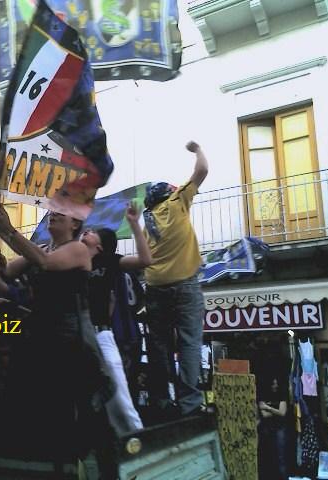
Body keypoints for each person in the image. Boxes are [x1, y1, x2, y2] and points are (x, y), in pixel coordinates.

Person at [0, 206, 114, 465]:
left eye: (61, 213)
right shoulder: (43, 248)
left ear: (74, 224)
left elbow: (44, 263)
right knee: (37, 400)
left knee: (69, 402)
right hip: (41, 332)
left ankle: (82, 460)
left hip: (69, 336)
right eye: (52, 211)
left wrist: (10, 230)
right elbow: (6, 274)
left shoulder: (77, 249)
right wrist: (0, 234)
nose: (53, 214)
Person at [144, 140, 209, 418]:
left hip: (155, 286)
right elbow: (202, 170)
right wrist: (197, 150)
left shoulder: (148, 218)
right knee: (189, 342)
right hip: (184, 284)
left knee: (159, 345)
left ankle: (160, 400)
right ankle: (189, 404)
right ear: (168, 193)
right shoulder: (177, 200)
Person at [80, 201, 150, 435]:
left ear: (100, 246)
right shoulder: (74, 260)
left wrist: (133, 223)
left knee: (118, 388)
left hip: (101, 334)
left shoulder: (109, 262)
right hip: (78, 335)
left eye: (92, 233)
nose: (86, 232)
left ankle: (136, 435)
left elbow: (145, 260)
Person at [257, 377, 289, 480]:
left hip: (280, 429)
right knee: (269, 456)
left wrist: (268, 407)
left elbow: (283, 412)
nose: (275, 386)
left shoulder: (282, 395)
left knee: (281, 457)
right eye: (273, 384)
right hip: (267, 430)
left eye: (276, 384)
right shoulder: (263, 396)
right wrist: (276, 411)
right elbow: (265, 415)